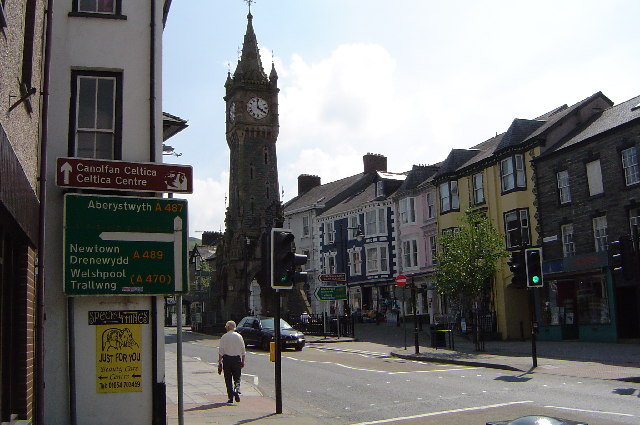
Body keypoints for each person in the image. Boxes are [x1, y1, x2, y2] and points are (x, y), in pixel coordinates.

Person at [218, 320, 246, 403]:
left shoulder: (224, 337)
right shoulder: (239, 336)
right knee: (237, 378)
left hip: (227, 360)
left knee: (228, 379)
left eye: (226, 326)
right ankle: (236, 390)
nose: (225, 327)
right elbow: (243, 351)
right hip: (237, 360)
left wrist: (219, 362)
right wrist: (243, 361)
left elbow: (221, 351)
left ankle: (230, 397)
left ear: (229, 327)